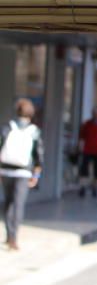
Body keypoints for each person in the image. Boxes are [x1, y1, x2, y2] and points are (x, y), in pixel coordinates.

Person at [0, 99, 44, 251]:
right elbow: (39, 156)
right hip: (24, 172)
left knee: (8, 202)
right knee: (18, 205)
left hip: (5, 170)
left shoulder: (8, 127)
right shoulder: (34, 131)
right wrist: (36, 176)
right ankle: (13, 237)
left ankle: (9, 235)